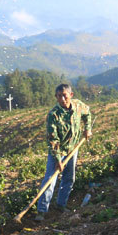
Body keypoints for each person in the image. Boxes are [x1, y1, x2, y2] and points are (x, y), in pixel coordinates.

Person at [35, 84, 92, 221]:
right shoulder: (53, 115)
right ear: (56, 97)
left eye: (64, 95)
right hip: (58, 151)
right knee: (50, 179)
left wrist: (87, 128)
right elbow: (53, 139)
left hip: (73, 149)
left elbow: (87, 114)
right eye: (59, 96)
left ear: (71, 95)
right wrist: (57, 159)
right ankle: (42, 211)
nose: (62, 99)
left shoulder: (78, 106)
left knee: (69, 178)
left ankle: (61, 205)